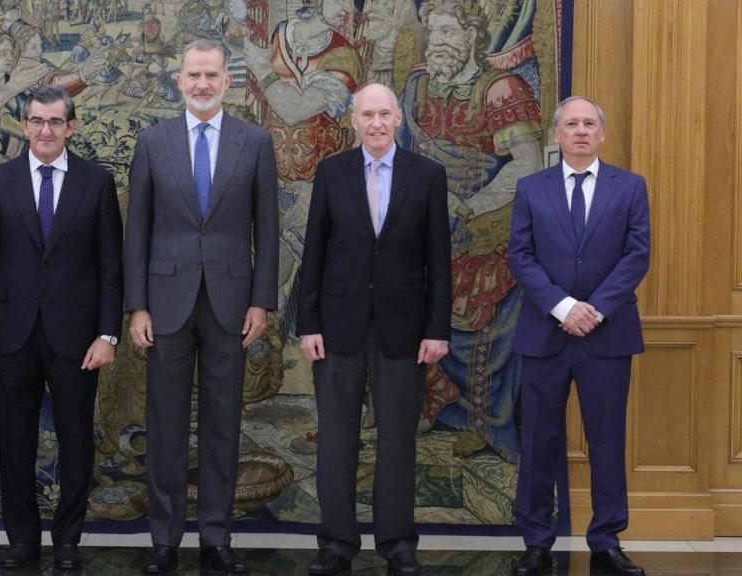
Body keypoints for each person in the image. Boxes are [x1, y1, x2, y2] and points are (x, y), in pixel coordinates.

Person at [124, 39, 278, 575]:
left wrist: (262, 300)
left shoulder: (255, 142)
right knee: (164, 422)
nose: (202, 84)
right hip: (165, 303)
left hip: (232, 305)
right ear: (179, 80)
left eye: (211, 75)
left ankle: (216, 536)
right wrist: (136, 305)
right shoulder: (153, 142)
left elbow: (268, 229)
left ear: (227, 81)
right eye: (193, 75)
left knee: (222, 422)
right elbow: (137, 230)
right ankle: (164, 540)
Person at [0, 85, 123, 570]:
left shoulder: (96, 182)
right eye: (36, 121)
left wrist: (107, 333)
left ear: (70, 127)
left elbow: (110, 265)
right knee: (15, 441)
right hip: (10, 335)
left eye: (55, 122)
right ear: (25, 124)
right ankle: (23, 540)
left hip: (77, 338)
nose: (45, 130)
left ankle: (69, 540)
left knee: (76, 440)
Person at [297, 83, 451, 576]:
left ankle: (398, 543)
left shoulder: (428, 176)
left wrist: (437, 329)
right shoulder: (332, 172)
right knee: (337, 439)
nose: (377, 122)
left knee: (397, 440)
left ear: (399, 118)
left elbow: (438, 263)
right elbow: (314, 254)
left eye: (386, 113)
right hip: (337, 329)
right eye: (368, 114)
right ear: (354, 120)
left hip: (404, 331)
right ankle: (337, 544)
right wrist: (308, 324)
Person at [509, 96, 650, 576]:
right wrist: (564, 307)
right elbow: (520, 256)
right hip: (546, 334)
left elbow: (637, 254)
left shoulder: (630, 187)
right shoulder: (531, 189)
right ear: (557, 134)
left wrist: (595, 310)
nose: (582, 131)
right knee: (539, 442)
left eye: (590, 123)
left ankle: (606, 541)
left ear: (602, 134)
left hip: (606, 337)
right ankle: (536, 542)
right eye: (572, 124)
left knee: (607, 440)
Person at [397, 0, 544, 461]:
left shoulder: (501, 89)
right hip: (423, 224)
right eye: (432, 33)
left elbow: (527, 164)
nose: (436, 43)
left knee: (482, 325)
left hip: (482, 225)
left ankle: (483, 422)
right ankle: (427, 403)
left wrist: (469, 205)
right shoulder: (418, 86)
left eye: (447, 34)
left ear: (473, 38)